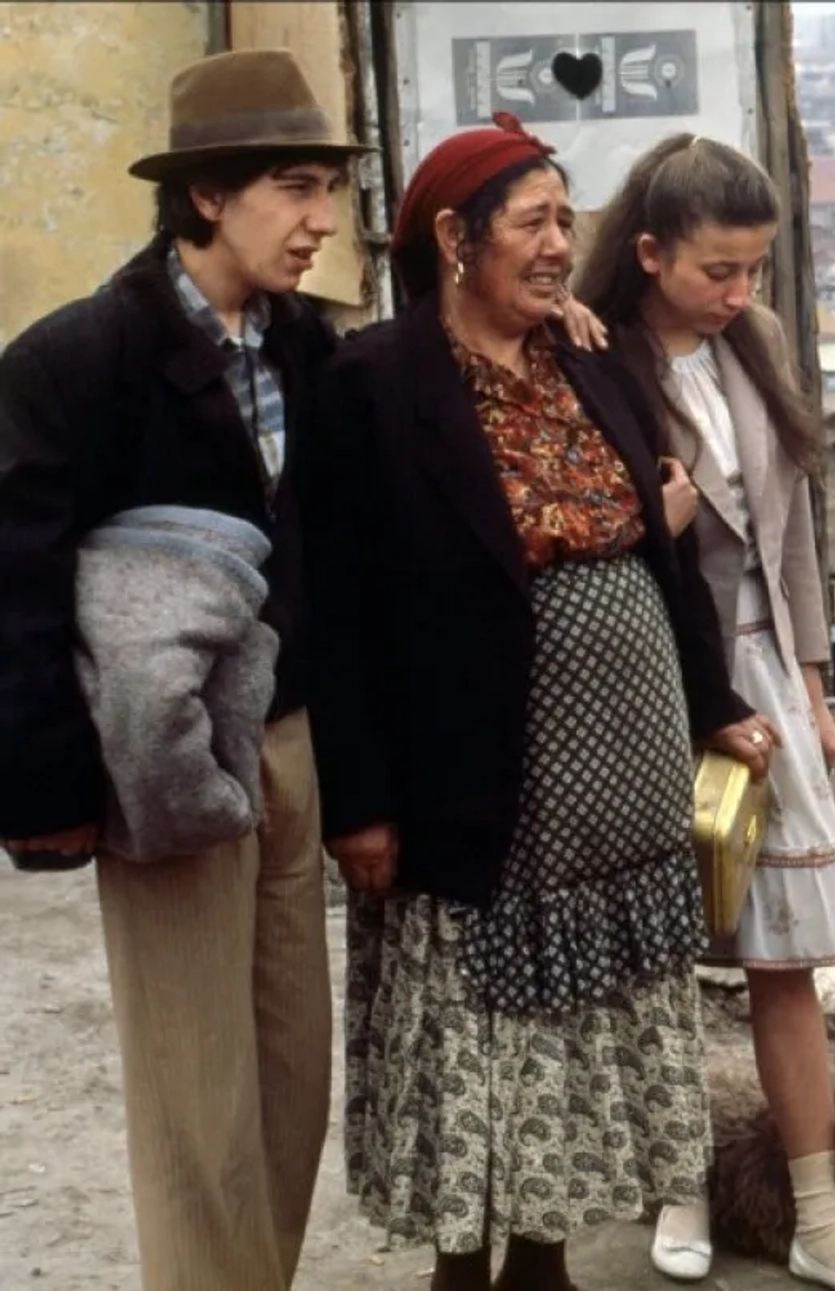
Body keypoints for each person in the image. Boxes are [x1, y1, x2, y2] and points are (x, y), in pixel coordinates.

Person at [305, 112, 774, 1291]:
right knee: (482, 1029)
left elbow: (664, 563)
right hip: (481, 784)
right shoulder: (373, 383)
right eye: (536, 221)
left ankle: (547, 1259)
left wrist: (714, 703)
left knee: (586, 1027)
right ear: (457, 236)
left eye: (570, 219)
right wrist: (358, 800)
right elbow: (337, 611)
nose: (563, 243)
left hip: (625, 781)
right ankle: (466, 1267)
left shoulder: (593, 358)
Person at [0, 49, 372, 1291]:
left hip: (292, 742)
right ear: (207, 195)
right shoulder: (75, 359)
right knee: (192, 1088)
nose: (323, 218)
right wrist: (48, 789)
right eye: (297, 185)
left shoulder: (310, 352)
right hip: (161, 755)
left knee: (289, 1071)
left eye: (330, 187)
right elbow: (18, 588)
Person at [574, 134, 835, 1291]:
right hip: (651, 681)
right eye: (719, 271)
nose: (740, 293)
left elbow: (794, 533)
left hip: (766, 677)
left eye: (755, 270)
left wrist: (814, 687)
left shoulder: (752, 346)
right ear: (652, 253)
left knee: (787, 957)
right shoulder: (597, 361)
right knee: (667, 948)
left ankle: (820, 1217)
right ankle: (682, 1179)